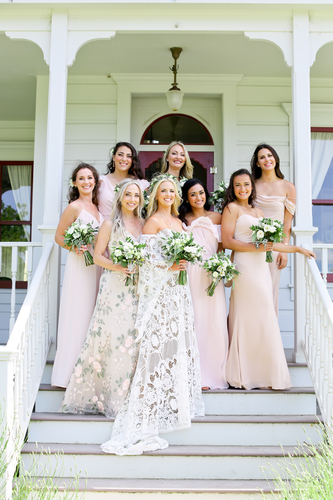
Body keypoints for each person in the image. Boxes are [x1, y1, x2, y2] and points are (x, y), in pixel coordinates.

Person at [101, 175, 205, 456]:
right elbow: (146, 261)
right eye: (163, 191)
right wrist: (169, 268)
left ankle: (174, 403)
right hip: (161, 291)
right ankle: (147, 413)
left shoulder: (179, 223)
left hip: (179, 293)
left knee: (176, 348)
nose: (168, 195)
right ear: (156, 195)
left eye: (172, 191)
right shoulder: (153, 222)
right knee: (157, 350)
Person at [221, 169, 315, 390]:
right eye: (238, 185)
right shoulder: (231, 209)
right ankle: (243, 374)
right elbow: (227, 242)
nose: (243, 189)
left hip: (261, 267)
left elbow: (270, 244)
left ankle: (266, 374)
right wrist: (254, 247)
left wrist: (296, 248)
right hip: (244, 267)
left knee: (265, 314)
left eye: (246, 184)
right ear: (232, 189)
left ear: (251, 187)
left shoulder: (259, 213)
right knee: (245, 316)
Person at [59, 179, 144, 416]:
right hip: (114, 288)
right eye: (128, 195)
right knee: (113, 338)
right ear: (120, 197)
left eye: (136, 196)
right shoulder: (109, 224)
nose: (132, 200)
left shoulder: (144, 224)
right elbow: (97, 257)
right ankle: (106, 397)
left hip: (136, 288)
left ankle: (128, 396)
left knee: (132, 340)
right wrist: (118, 267)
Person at [51, 163, 103, 388]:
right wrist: (75, 247)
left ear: (95, 181)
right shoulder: (74, 207)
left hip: (97, 266)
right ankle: (68, 375)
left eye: (89, 178)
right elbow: (59, 237)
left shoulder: (98, 209)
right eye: (81, 178)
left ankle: (88, 372)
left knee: (93, 314)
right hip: (80, 265)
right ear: (75, 183)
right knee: (78, 313)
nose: (86, 182)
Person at [179, 179, 228, 390]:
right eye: (193, 194)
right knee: (194, 321)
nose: (198, 198)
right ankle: (194, 375)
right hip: (191, 273)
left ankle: (216, 373)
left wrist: (221, 268)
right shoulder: (182, 219)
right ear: (187, 198)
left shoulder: (217, 217)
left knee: (214, 322)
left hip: (212, 273)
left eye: (201, 193)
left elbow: (223, 247)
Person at [250, 143, 296, 315]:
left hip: (275, 248)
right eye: (262, 157)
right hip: (252, 246)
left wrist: (283, 250)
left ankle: (269, 338)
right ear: (257, 163)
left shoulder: (288, 187)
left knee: (270, 292)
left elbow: (287, 224)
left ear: (275, 159)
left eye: (269, 155)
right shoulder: (252, 186)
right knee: (252, 292)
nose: (267, 160)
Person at [99, 142, 149, 218]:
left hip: (131, 228)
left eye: (129, 156)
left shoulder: (142, 184)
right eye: (120, 154)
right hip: (105, 227)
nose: (124, 159)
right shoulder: (101, 181)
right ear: (113, 157)